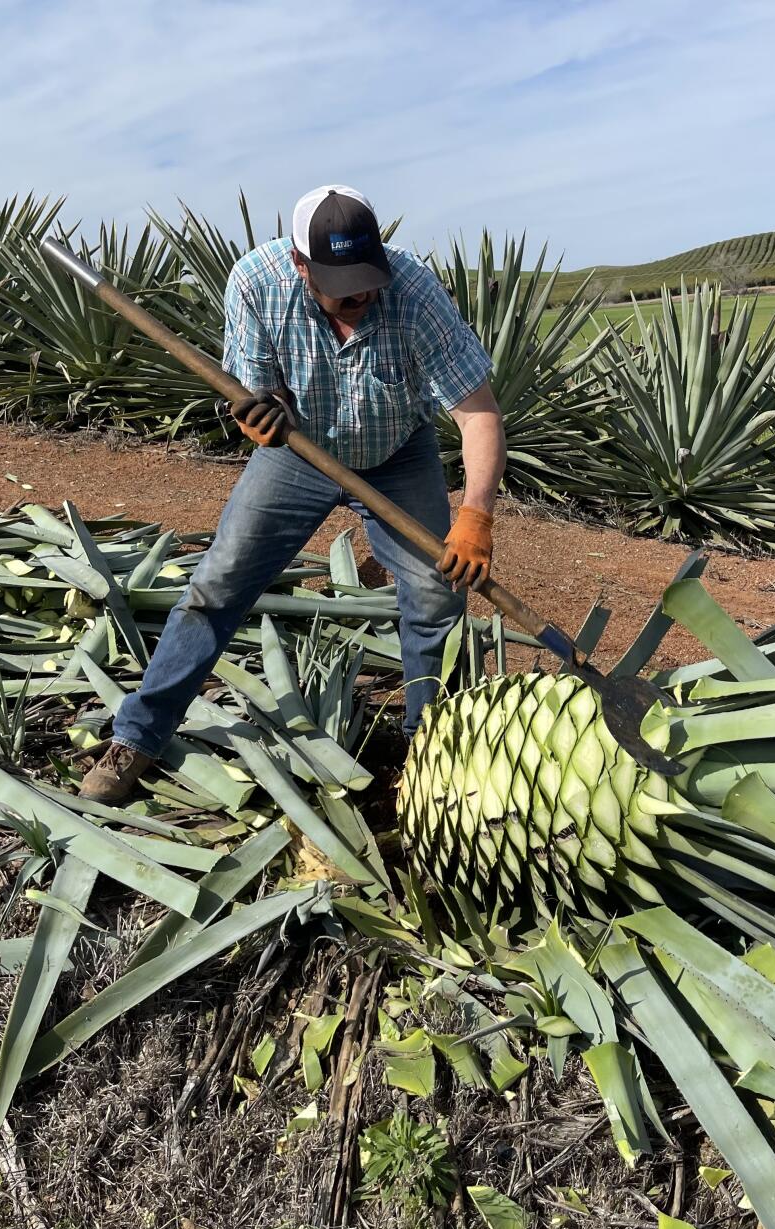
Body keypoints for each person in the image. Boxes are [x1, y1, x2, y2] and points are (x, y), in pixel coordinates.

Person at [80, 184, 506, 804]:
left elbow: (478, 412)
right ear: (301, 265)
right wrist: (261, 415)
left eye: (367, 280)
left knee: (434, 596)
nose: (360, 298)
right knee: (217, 585)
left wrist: (475, 515)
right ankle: (138, 738)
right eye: (343, 285)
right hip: (299, 453)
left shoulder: (413, 292)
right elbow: (255, 394)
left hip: (396, 453)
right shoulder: (257, 282)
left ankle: (429, 752)